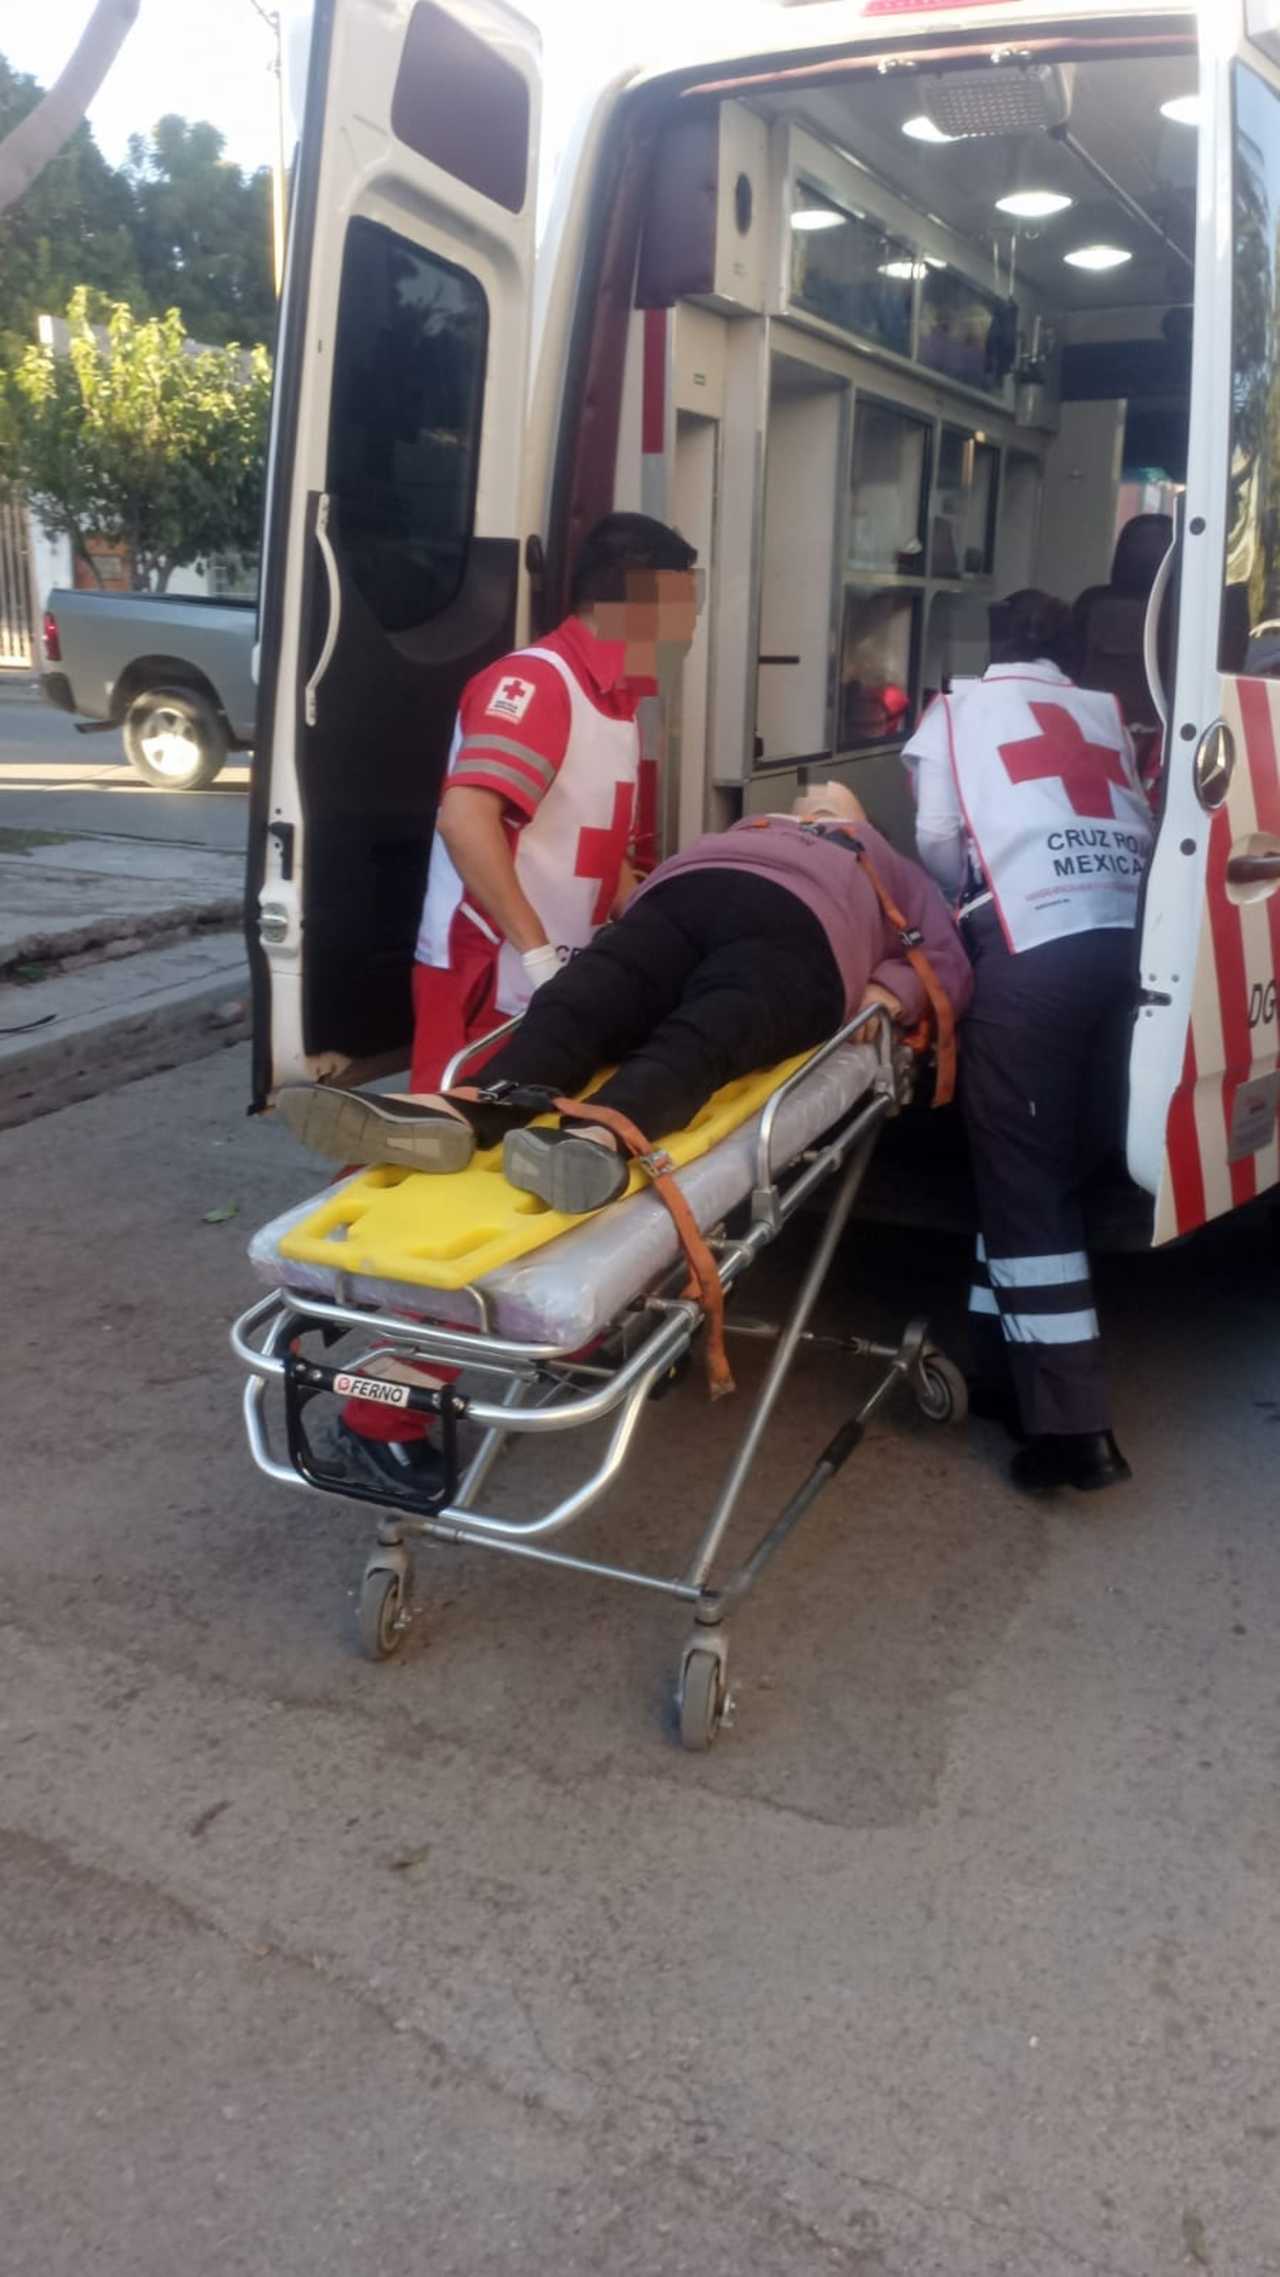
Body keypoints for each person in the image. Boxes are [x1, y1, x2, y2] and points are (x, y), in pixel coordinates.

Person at [279, 785, 972, 1207]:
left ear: (861, 818)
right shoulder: (743, 832)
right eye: (807, 800)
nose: (814, 799)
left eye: (831, 798)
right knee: (581, 1000)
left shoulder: (883, 861)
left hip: (806, 928)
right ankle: (465, 1108)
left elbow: (946, 956)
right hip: (684, 898)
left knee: (713, 1029)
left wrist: (887, 993)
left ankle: (599, 1137)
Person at [902, 587, 1154, 1495]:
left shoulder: (957, 711)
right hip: (1125, 950)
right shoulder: (1101, 713)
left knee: (1025, 1175)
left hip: (1030, 952)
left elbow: (936, 835)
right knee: (1033, 1172)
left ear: (990, 642)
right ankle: (1005, 1372)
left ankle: (1076, 1431)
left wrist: (960, 897)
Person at [410, 511, 700, 1090]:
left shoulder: (615, 706)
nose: (688, 631)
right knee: (454, 1131)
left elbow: (594, 853)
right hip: (490, 976)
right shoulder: (538, 683)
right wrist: (539, 956)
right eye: (681, 610)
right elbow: (465, 821)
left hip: (553, 984)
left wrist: (660, 925)